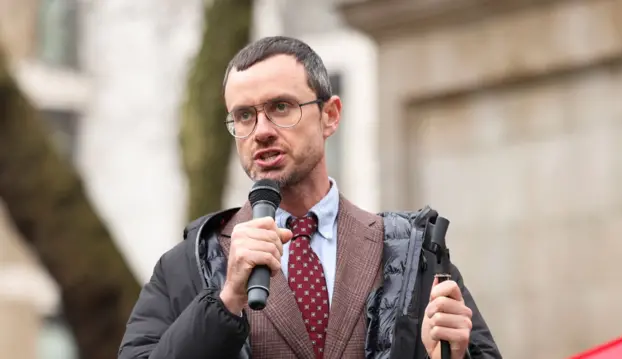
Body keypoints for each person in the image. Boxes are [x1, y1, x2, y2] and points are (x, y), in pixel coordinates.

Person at [118, 36, 501, 359]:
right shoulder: (187, 265)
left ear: (330, 115)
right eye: (245, 116)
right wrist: (227, 298)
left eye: (280, 107)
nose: (262, 131)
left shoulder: (413, 253)